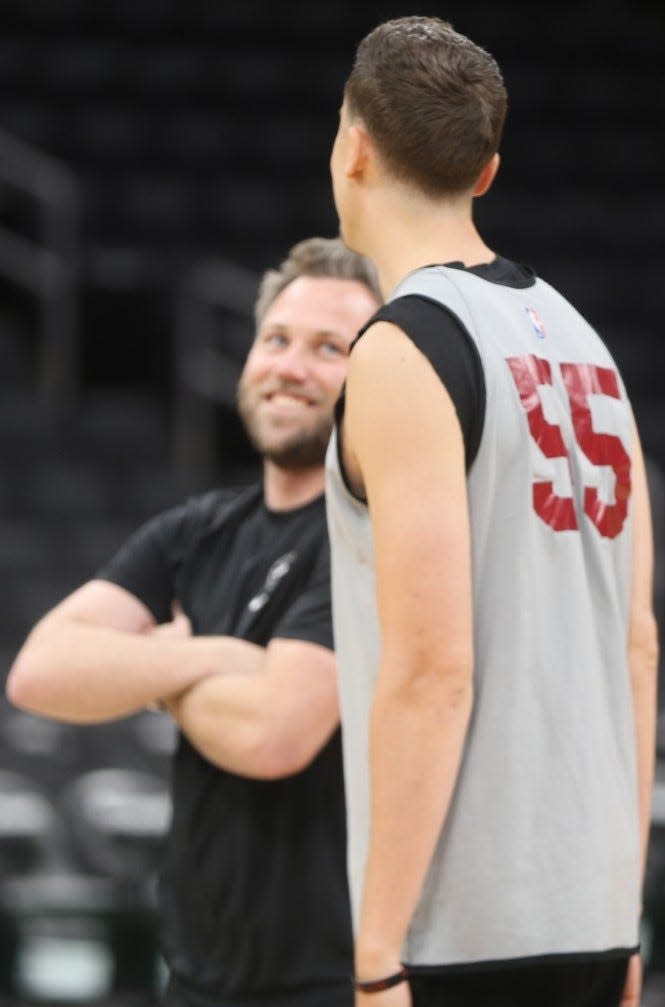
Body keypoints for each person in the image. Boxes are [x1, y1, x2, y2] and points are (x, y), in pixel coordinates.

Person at [326, 17, 658, 1007]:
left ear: (352, 146)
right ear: (485, 173)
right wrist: (624, 908)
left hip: (458, 926)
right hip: (591, 915)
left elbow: (431, 671)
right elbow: (637, 648)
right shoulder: (588, 343)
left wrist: (377, 947)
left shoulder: (401, 347)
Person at [7, 237, 381, 1007]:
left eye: (327, 348)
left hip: (335, 983)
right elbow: (39, 673)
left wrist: (151, 669)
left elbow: (270, 734)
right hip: (196, 976)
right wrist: (214, 656)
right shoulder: (195, 531)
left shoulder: (372, 537)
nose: (289, 365)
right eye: (275, 339)